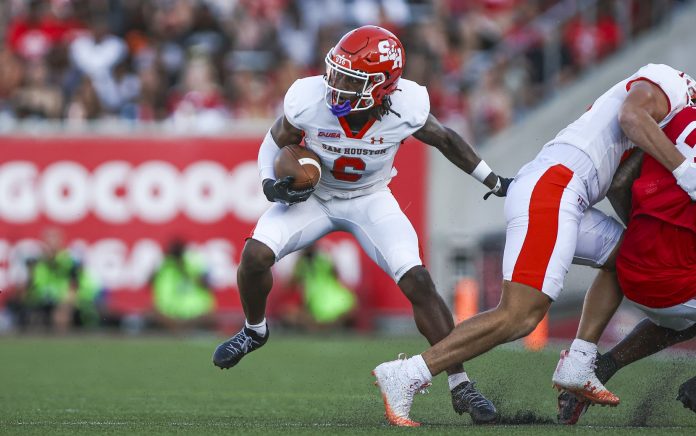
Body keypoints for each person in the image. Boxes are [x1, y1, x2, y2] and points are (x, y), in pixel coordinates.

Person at [211, 25, 511, 425]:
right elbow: (274, 139)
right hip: (314, 199)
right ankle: (255, 329)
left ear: (384, 85)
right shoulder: (308, 98)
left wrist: (493, 180)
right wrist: (269, 184)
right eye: (336, 73)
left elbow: (446, 140)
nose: (336, 86)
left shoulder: (409, 106)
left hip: (370, 200)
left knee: (418, 281)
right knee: (254, 256)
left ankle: (460, 383)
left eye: (351, 80)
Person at [372, 63, 696, 425]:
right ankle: (407, 374)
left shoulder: (679, 110)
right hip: (556, 188)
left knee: (627, 256)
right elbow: (631, 115)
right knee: (520, 315)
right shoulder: (674, 83)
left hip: (563, 190)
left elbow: (621, 179)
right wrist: (686, 172)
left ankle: (580, 361)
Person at [555, 104, 696, 424]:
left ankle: (602, 367)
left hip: (628, 265)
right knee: (682, 307)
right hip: (675, 280)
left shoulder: (674, 120)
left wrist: (645, 231)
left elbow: (619, 183)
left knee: (682, 319)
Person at [283, 244, 357, 331]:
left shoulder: (321, 259)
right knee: (290, 314)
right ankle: (327, 327)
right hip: (319, 301)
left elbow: (290, 283)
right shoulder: (308, 262)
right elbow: (290, 283)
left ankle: (323, 327)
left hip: (327, 300)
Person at [151, 239, 216, 332]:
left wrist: (186, 268)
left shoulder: (194, 263)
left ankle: (182, 330)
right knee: (151, 311)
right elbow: (151, 282)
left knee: (209, 315)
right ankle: (179, 330)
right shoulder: (164, 266)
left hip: (196, 313)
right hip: (169, 314)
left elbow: (207, 284)